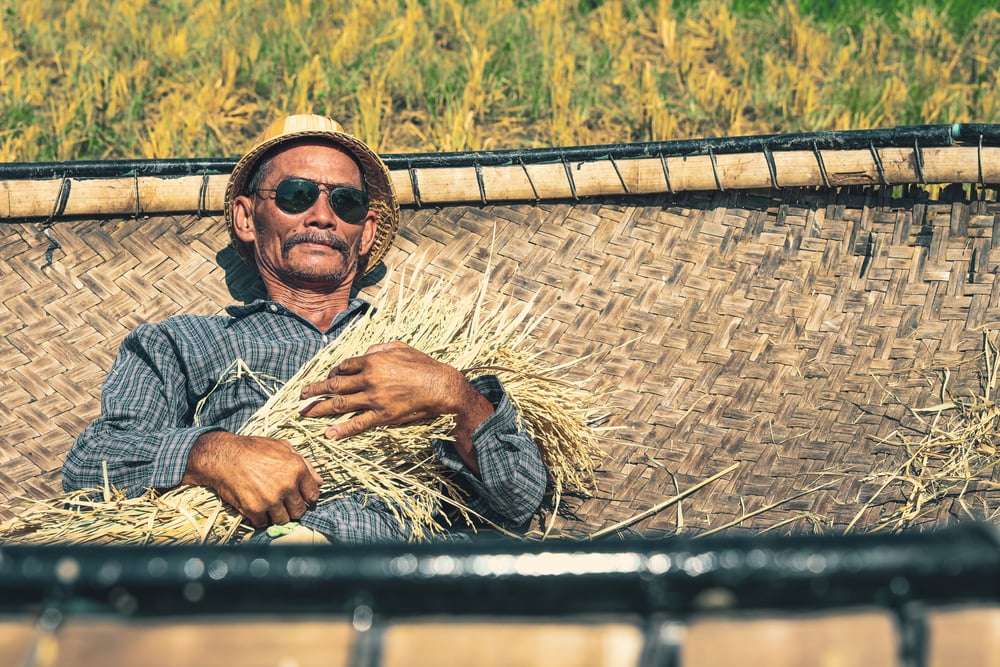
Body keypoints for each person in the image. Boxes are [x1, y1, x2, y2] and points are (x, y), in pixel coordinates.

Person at [62, 114, 547, 543]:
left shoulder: (431, 349)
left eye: (347, 203)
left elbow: (521, 500)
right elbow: (90, 465)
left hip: (415, 594)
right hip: (252, 589)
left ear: (368, 231)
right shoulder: (181, 343)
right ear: (247, 217)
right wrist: (212, 453)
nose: (322, 215)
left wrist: (457, 396)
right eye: (296, 195)